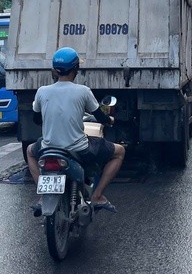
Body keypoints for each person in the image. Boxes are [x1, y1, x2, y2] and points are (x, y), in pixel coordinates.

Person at [27, 47, 126, 215]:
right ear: (76, 69)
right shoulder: (83, 91)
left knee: (30, 151)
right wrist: (109, 120)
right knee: (120, 152)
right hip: (79, 149)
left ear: (55, 70)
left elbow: (36, 120)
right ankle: (97, 195)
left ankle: (44, 196)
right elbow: (100, 117)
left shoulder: (42, 92)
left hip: (48, 148)